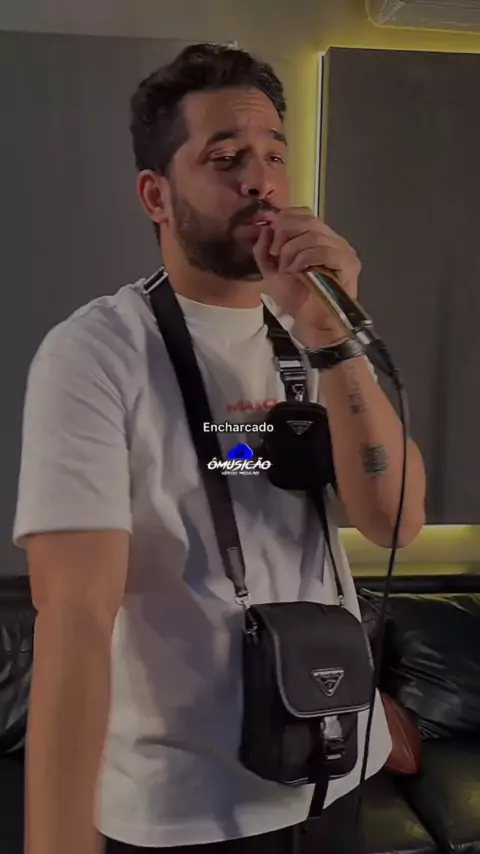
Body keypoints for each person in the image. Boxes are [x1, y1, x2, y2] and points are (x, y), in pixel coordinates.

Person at [14, 42, 426, 854]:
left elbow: (394, 520)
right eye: (226, 157)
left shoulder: (308, 331)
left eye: (274, 154)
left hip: (339, 773)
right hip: (187, 810)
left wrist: (331, 337)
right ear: (156, 195)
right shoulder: (97, 352)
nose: (261, 180)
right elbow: (75, 617)